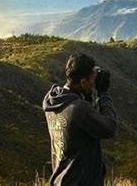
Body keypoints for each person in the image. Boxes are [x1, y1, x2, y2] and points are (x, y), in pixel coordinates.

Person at [42, 53, 117, 185]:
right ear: (83, 82)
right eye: (92, 80)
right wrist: (103, 93)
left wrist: (86, 96)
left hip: (61, 180)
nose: (93, 84)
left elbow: (79, 129)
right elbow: (109, 128)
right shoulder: (77, 108)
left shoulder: (54, 102)